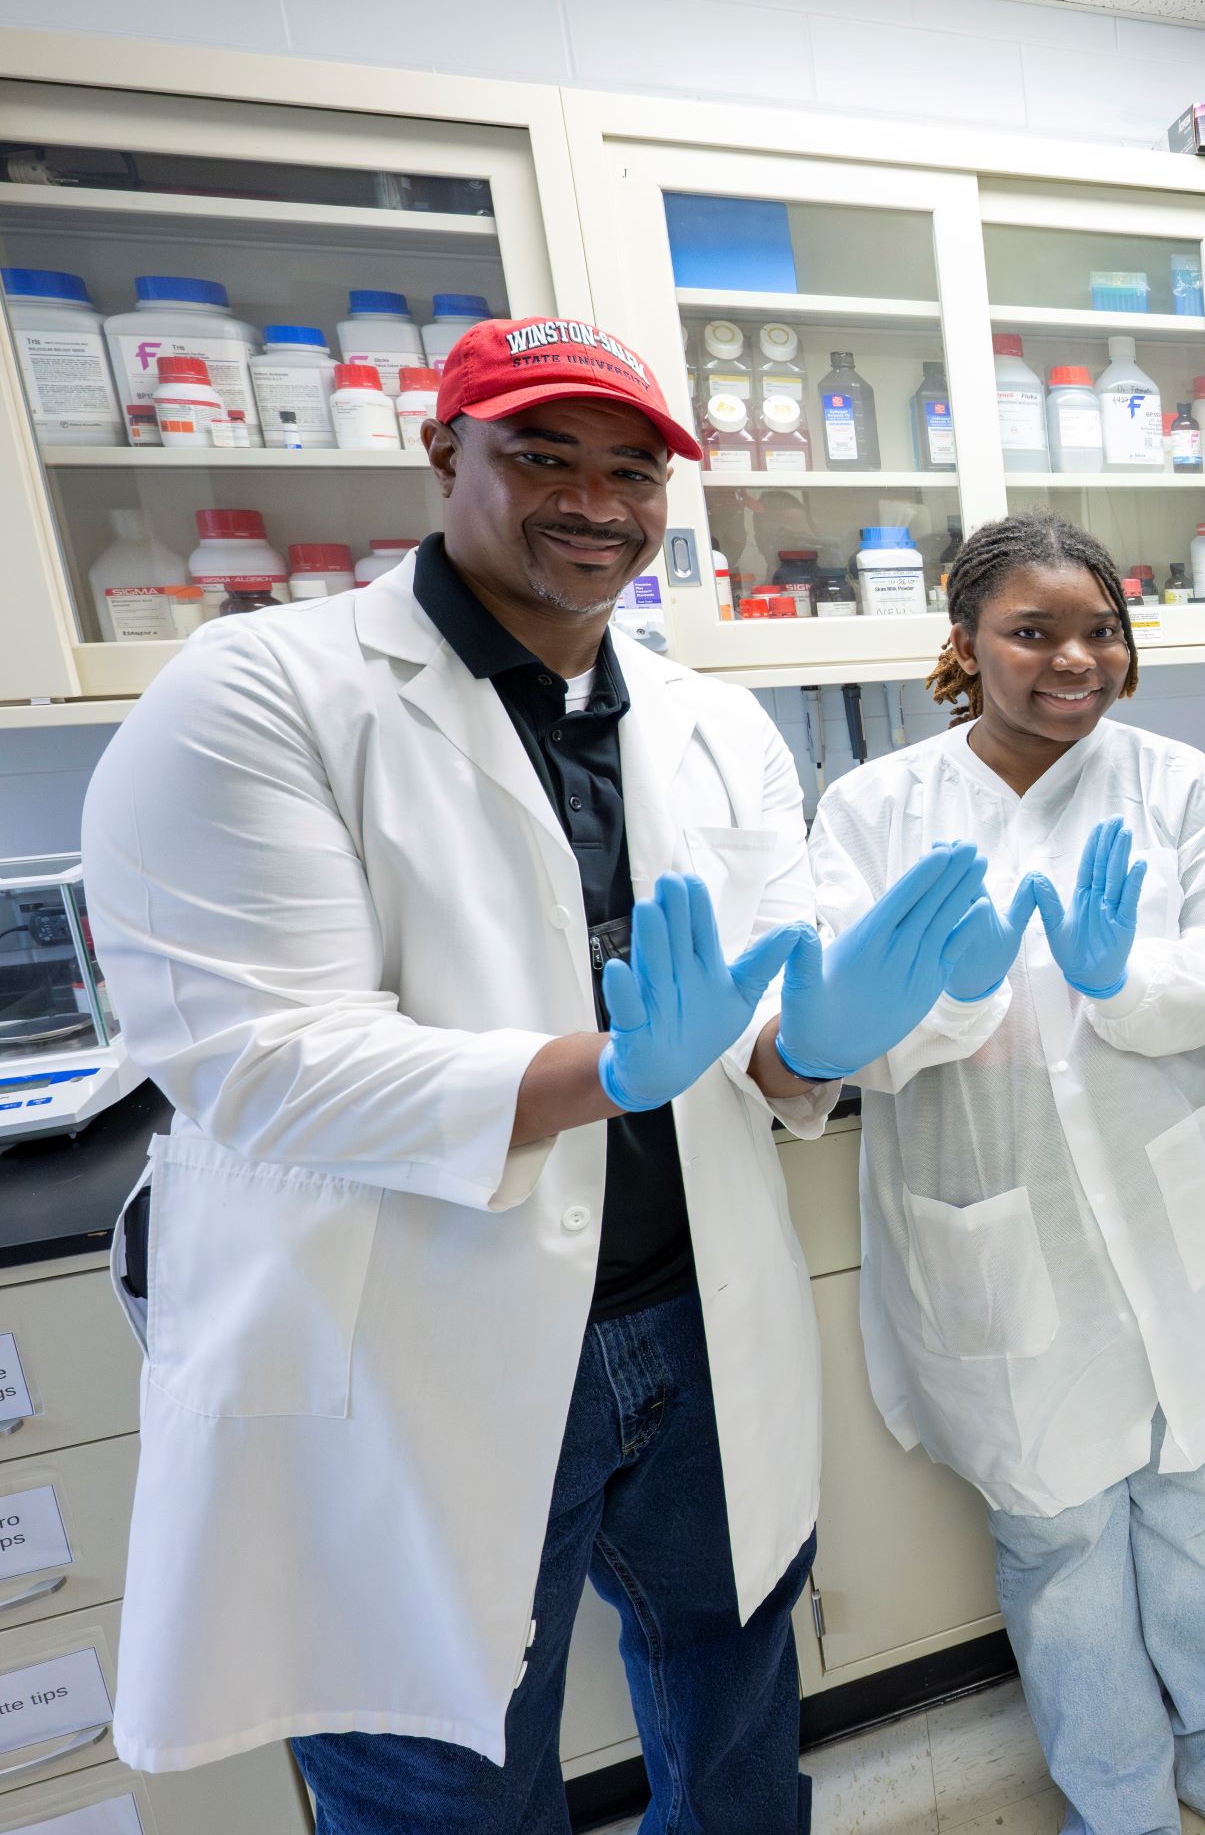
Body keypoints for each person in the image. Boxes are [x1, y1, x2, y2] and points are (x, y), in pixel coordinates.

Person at [81, 317, 992, 1830]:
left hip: (690, 1317)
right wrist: (608, 1071)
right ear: (447, 453)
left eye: (632, 469)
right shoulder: (255, 694)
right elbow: (263, 1065)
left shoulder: (712, 724)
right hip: (416, 1333)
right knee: (452, 1772)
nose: (596, 501)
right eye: (541, 455)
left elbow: (755, 1017)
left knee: (739, 1688)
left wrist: (815, 1045)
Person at [800, 516, 1205, 1835]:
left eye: (1100, 630)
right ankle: (1117, 1798)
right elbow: (837, 1031)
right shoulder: (874, 810)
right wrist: (949, 1003)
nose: (1076, 659)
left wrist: (1122, 980)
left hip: (1169, 1203)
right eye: (1033, 631)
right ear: (964, 644)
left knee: (1197, 1502)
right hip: (998, 1225)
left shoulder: (1180, 785)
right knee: (1058, 1540)